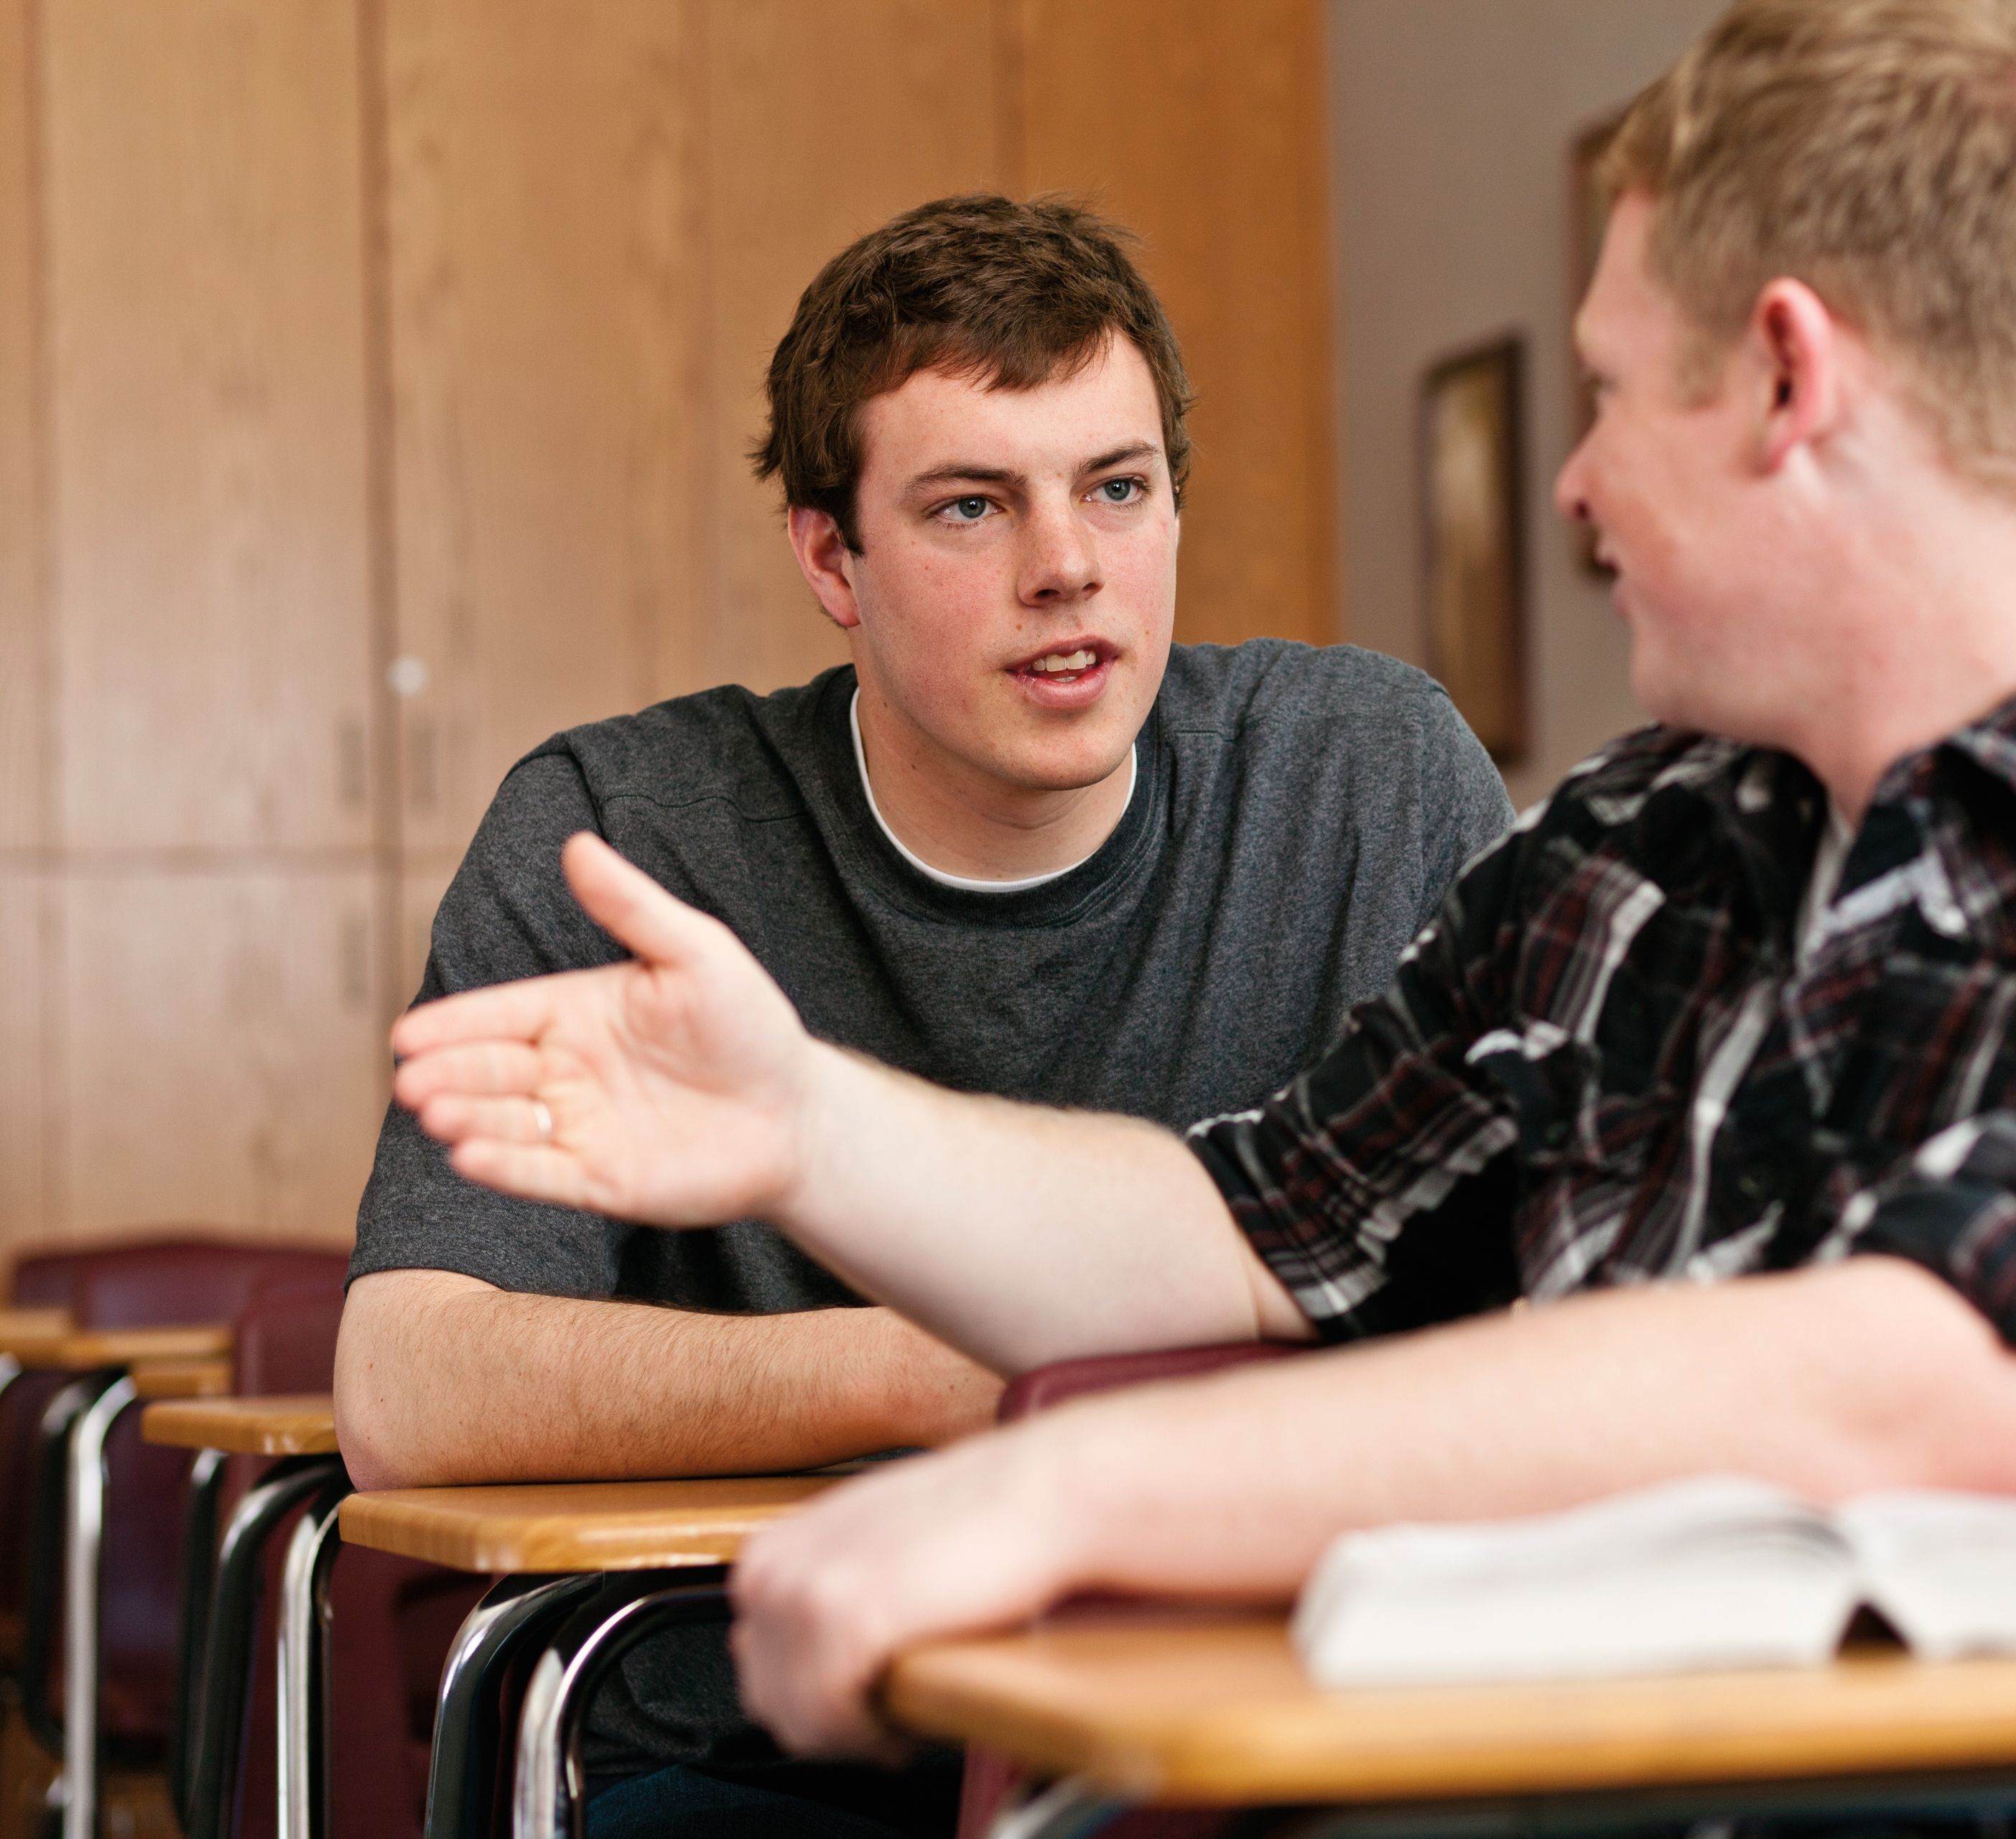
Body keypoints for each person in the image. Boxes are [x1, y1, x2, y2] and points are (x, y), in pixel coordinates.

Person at [388, 5, 2016, 1833]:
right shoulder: (1637, 854)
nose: (1572, 479)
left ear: (1793, 382)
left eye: (1616, 390)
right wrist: (810, 1130)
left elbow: (1923, 1396)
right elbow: (1243, 1236)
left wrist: (1073, 1489)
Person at [336, 195, 1515, 1833]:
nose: (1068, 568)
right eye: (972, 506)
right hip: (767, 1737)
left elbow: (1540, 1305)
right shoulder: (627, 831)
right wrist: (942, 1369)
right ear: (833, 556)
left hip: (1267, 1704)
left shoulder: (1364, 776)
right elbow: (408, 1386)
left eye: (1119, 487)